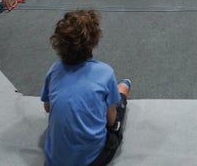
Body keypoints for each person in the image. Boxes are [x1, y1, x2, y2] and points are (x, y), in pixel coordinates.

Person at [41, 10, 131, 166]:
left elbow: (48, 107)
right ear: (93, 42)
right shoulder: (105, 72)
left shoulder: (54, 70)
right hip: (90, 161)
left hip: (53, 160)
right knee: (116, 122)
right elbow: (110, 121)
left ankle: (120, 90)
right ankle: (122, 92)